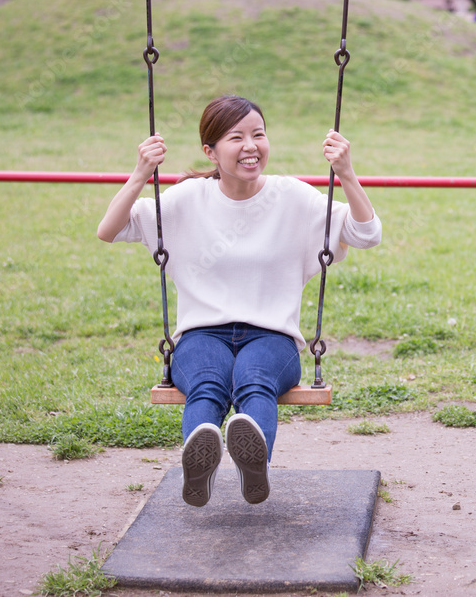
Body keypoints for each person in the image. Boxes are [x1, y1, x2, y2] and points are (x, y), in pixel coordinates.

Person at [97, 95, 381, 507]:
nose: (251, 146)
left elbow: (367, 234)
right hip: (201, 334)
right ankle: (201, 466)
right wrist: (142, 172)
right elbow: (109, 229)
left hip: (271, 336)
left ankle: (254, 466)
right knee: (207, 385)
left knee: (254, 380)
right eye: (237, 137)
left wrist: (347, 173)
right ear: (210, 151)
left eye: (259, 134)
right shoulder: (186, 199)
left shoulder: (293, 198)